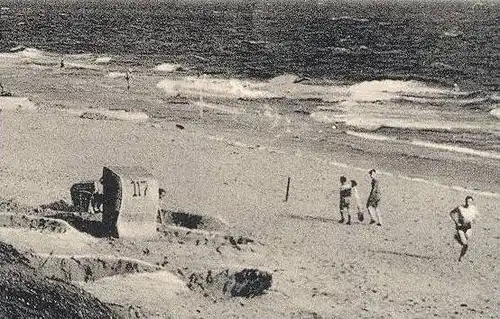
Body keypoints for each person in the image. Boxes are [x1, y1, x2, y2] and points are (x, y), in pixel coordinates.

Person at [449, 196, 479, 262]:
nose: (469, 203)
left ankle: (457, 238)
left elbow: (476, 216)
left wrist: (474, 219)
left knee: (466, 239)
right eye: (468, 201)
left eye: (470, 201)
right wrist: (456, 221)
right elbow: (451, 213)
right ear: (465, 201)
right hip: (460, 227)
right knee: (465, 244)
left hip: (468, 227)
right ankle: (461, 257)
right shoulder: (460, 208)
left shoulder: (473, 208)